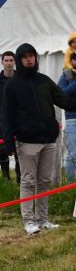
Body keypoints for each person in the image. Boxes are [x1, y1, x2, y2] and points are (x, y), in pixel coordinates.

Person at [2, 43, 76, 235]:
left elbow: (64, 101)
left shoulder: (44, 80)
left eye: (32, 56)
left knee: (44, 180)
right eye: (25, 56)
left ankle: (42, 219)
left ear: (35, 58)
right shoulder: (12, 85)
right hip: (27, 141)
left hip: (48, 140)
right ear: (20, 60)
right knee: (28, 181)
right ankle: (28, 221)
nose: (29, 59)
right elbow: (6, 116)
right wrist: (9, 143)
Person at [0, 50, 18, 181]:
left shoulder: (21, 79)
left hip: (19, 121)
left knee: (20, 153)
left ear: (15, 62)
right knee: (2, 152)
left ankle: (20, 179)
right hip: (1, 122)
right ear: (2, 62)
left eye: (11, 60)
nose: (9, 63)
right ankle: (6, 178)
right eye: (6, 60)